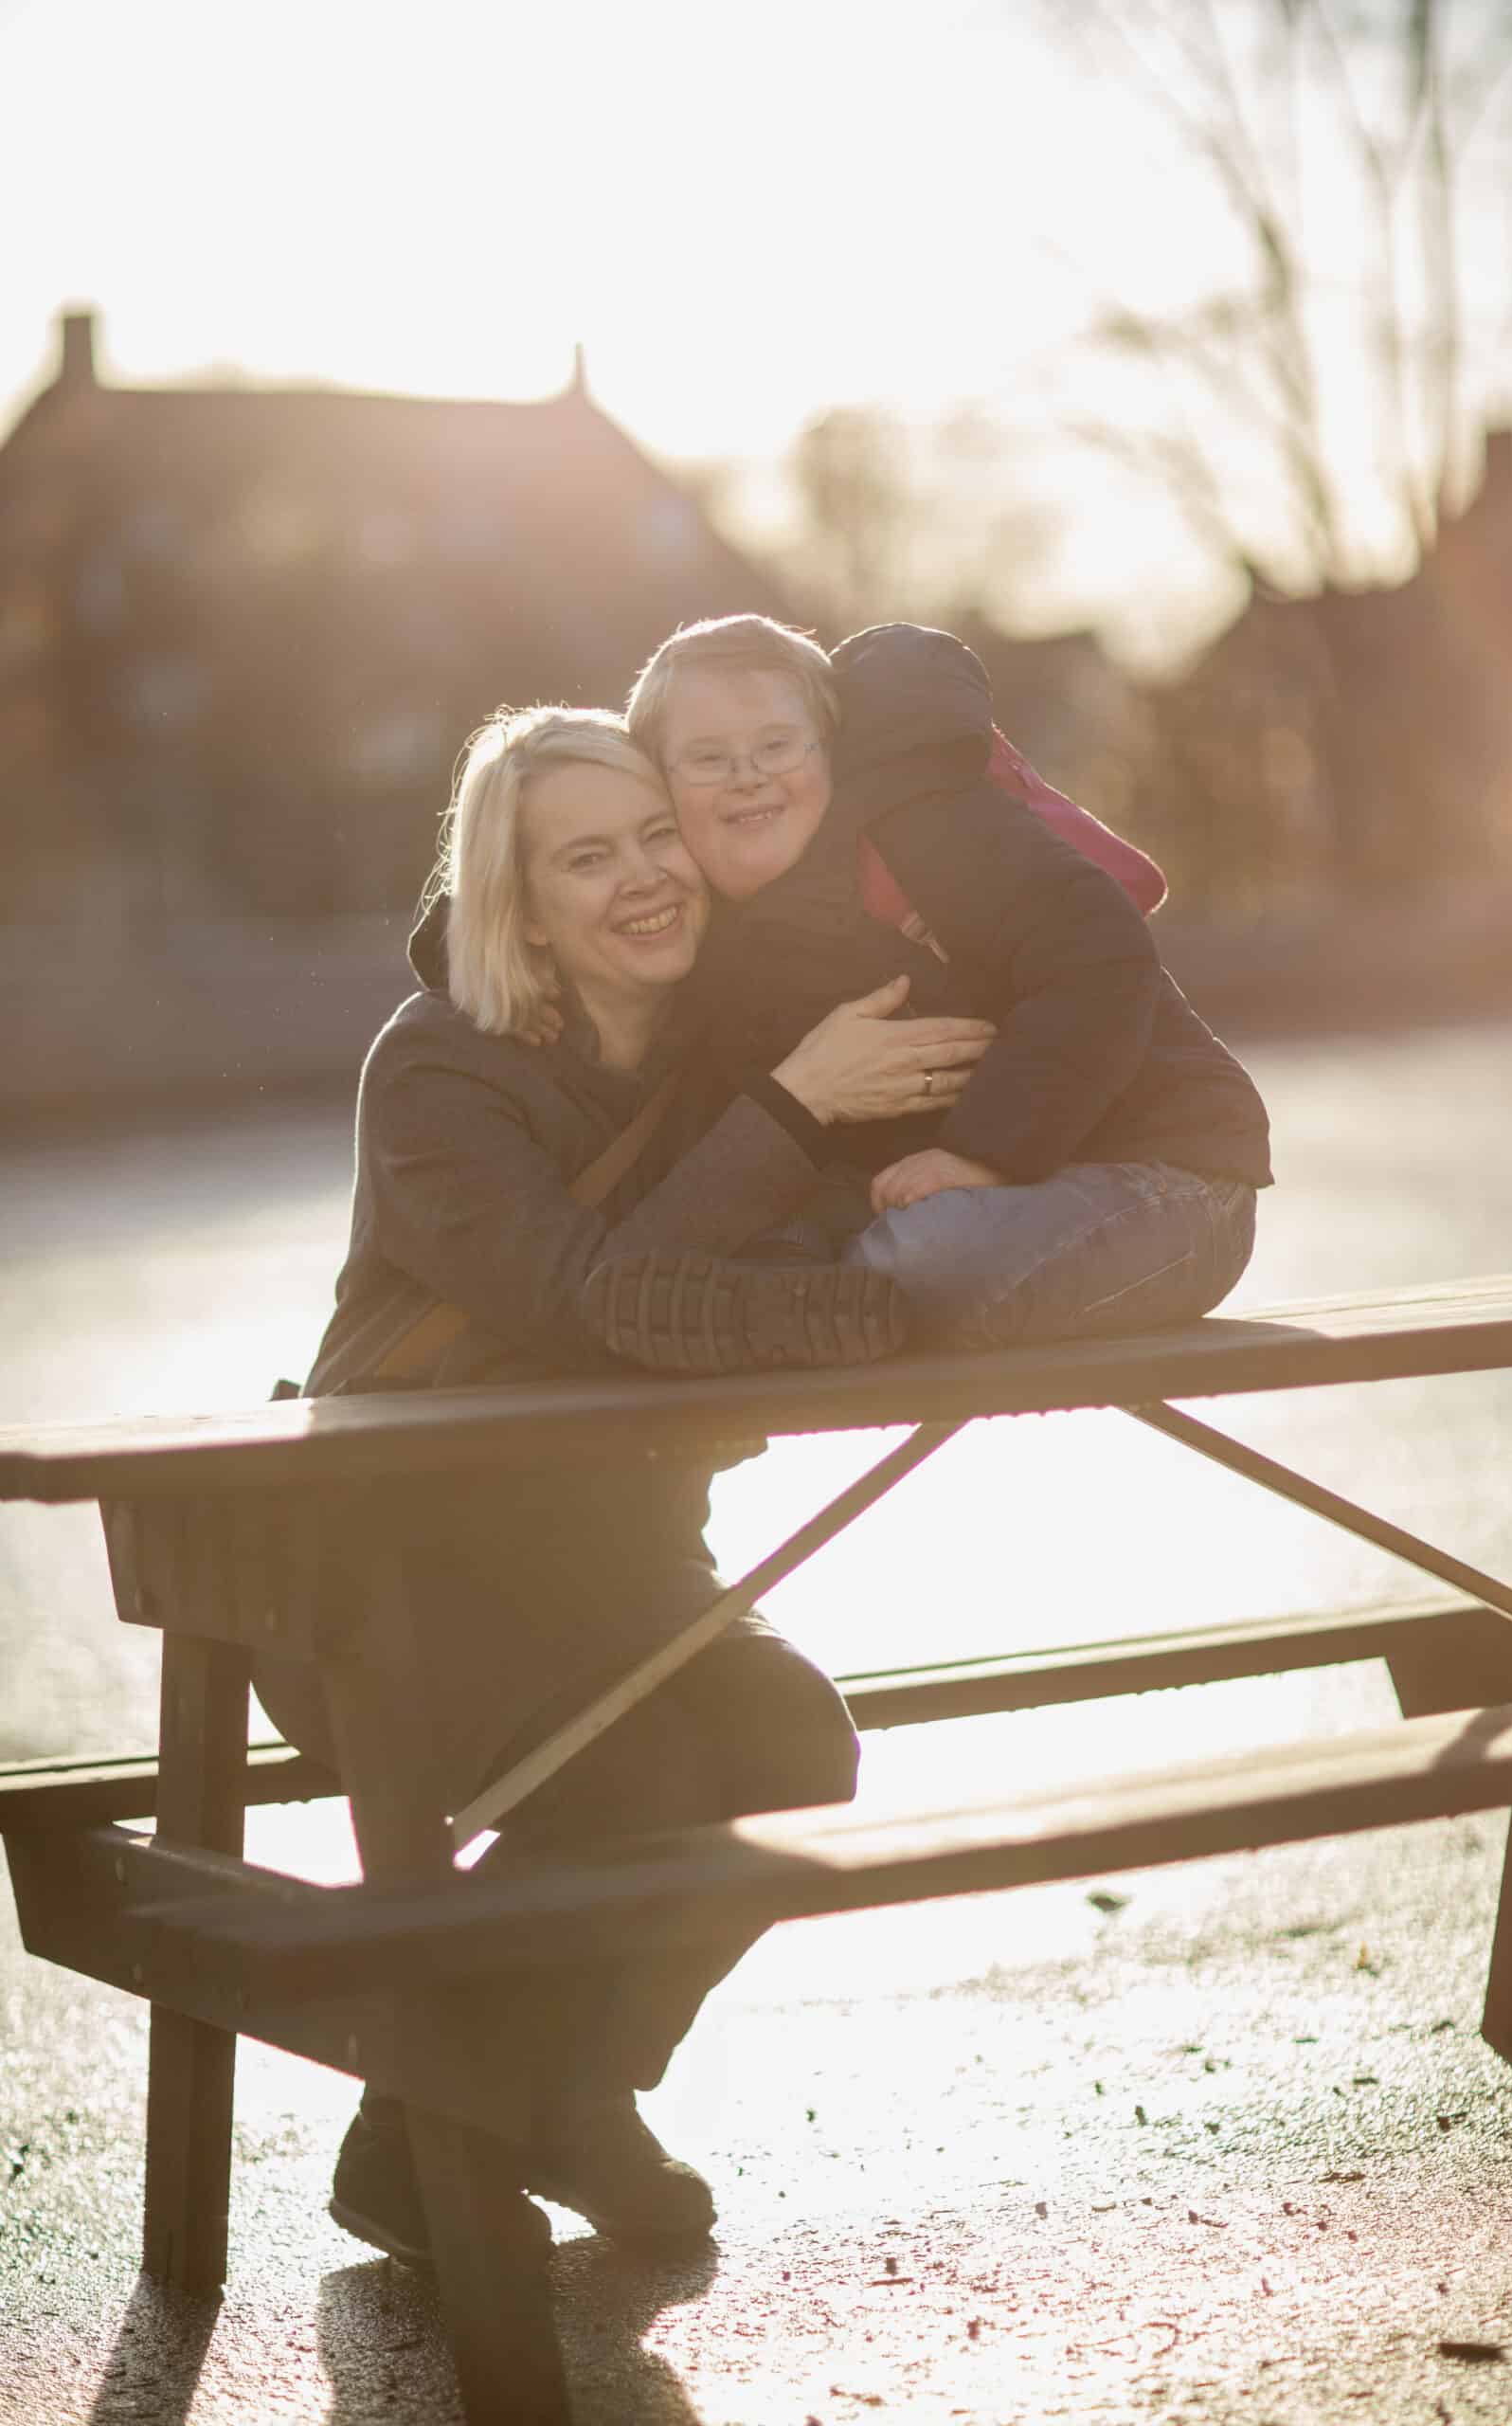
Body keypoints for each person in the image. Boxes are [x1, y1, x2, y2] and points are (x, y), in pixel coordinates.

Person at [255, 707, 995, 2269]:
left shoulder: (727, 1032)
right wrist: (795, 1108)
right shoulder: (439, 1070)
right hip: (394, 1564)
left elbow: (807, 1238)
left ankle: (542, 2100)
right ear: (514, 902)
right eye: (587, 857)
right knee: (634, 1781)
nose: (646, 877)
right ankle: (489, 2123)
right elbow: (597, 1297)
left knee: (791, 1744)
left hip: (614, 1544)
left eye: (659, 836)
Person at [590, 616, 1272, 1368]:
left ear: (829, 747)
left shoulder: (925, 828)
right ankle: (768, 1304)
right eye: (707, 759)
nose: (747, 774)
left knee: (921, 1261)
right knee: (776, 1243)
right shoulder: (715, 943)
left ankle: (775, 1314)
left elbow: (1100, 955)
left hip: (1171, 1186)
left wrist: (986, 1154)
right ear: (659, 781)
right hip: (987, 1198)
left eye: (776, 746)